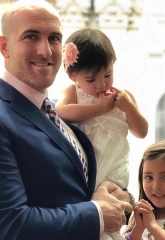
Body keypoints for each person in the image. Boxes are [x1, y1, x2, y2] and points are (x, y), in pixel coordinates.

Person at [0, 1, 132, 240]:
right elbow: (10, 227)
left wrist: (121, 198)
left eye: (55, 38)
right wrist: (97, 213)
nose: (45, 50)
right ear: (4, 46)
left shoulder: (63, 112)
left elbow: (83, 189)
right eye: (31, 36)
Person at [55, 28, 148, 190]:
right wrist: (100, 108)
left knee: (113, 203)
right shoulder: (74, 92)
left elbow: (141, 132)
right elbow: (61, 111)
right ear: (73, 76)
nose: (102, 84)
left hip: (113, 171)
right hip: (83, 165)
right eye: (91, 79)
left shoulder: (123, 98)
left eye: (107, 75)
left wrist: (129, 109)